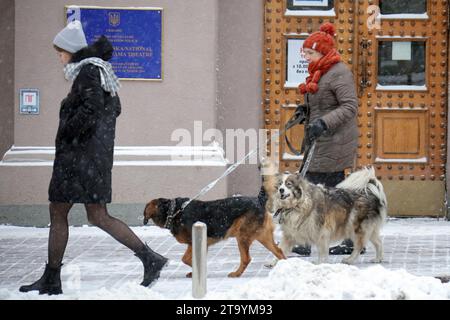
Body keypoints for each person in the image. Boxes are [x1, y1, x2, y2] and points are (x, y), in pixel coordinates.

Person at [19, 21, 168, 295]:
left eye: (60, 51)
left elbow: (92, 110)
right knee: (95, 215)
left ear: (72, 51)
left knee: (64, 212)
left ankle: (53, 278)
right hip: (91, 160)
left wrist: (67, 131)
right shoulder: (99, 72)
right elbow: (114, 109)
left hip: (78, 160)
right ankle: (149, 259)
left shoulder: (87, 72)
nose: (59, 56)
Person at [291, 22, 363, 256]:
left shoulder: (339, 72)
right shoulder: (320, 71)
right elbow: (323, 103)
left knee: (321, 191)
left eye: (309, 52)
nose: (306, 56)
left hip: (335, 139)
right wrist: (305, 111)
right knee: (319, 190)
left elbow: (350, 106)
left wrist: (323, 122)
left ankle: (348, 240)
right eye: (305, 52)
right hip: (321, 138)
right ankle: (308, 238)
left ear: (322, 51)